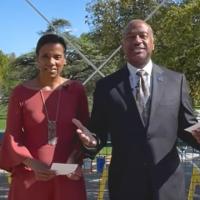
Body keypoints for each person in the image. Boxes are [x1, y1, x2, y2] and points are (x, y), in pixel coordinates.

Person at [72, 19, 200, 200]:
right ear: (123, 45)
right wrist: (90, 143)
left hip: (168, 185)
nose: (137, 40)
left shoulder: (176, 81)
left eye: (143, 36)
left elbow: (188, 127)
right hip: (125, 185)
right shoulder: (106, 86)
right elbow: (97, 132)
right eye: (131, 37)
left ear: (153, 43)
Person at [0, 33, 89, 200]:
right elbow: (12, 136)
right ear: (37, 59)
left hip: (68, 176)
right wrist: (32, 163)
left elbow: (84, 133)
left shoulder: (76, 90)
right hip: (30, 177)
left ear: (65, 60)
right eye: (45, 56)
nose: (51, 62)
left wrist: (74, 158)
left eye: (57, 57)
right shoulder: (20, 92)